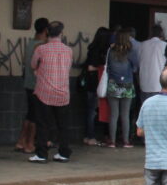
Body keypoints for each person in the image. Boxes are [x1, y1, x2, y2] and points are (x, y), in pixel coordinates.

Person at [29, 20, 72, 163]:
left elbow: (33, 65)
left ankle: (41, 154)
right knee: (63, 125)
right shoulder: (68, 50)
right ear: (61, 33)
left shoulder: (41, 49)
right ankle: (64, 152)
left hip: (44, 92)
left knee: (42, 124)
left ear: (47, 32)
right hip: (63, 94)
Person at [15, 17, 48, 154]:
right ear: (46, 30)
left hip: (28, 83)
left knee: (30, 113)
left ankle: (21, 141)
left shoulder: (30, 44)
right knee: (36, 115)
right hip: (37, 85)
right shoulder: (41, 45)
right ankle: (29, 143)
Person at [105, 28, 140, 148]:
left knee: (113, 114)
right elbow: (135, 68)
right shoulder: (131, 51)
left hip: (113, 83)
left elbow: (108, 66)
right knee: (125, 114)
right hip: (128, 84)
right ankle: (126, 141)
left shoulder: (111, 51)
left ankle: (112, 141)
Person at [82, 26, 111, 146]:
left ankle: (88, 136)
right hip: (97, 83)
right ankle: (91, 136)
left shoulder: (92, 48)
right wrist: (103, 68)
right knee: (93, 111)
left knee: (90, 111)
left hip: (90, 84)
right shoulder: (102, 51)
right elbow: (90, 67)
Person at [137, 24, 167, 104]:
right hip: (159, 84)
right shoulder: (164, 45)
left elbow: (138, 62)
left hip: (144, 84)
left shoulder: (142, 45)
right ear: (161, 34)